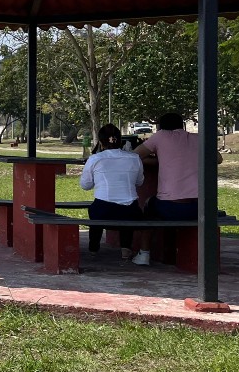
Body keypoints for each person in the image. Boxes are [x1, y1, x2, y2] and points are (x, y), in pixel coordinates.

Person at [80, 124, 151, 265]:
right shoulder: (134, 158)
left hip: (103, 211)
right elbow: (140, 182)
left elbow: (85, 185)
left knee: (95, 211)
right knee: (128, 208)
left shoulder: (95, 159)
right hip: (130, 211)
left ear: (100, 142)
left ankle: (93, 249)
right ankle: (126, 249)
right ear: (121, 141)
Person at [135, 112, 223, 221]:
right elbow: (219, 159)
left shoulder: (160, 136)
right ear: (182, 125)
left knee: (149, 204)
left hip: (171, 207)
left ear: (160, 127)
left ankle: (154, 233)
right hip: (202, 209)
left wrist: (156, 161)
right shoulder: (199, 138)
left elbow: (133, 156)